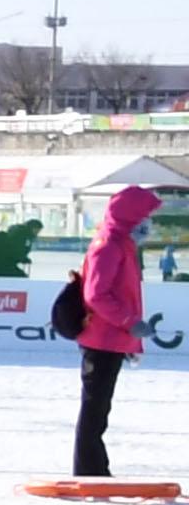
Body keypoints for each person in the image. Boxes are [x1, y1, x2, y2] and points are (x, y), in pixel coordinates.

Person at [74, 185, 161, 476]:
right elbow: (96, 295)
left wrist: (130, 340)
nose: (149, 223)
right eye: (145, 216)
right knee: (94, 410)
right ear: (130, 217)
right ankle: (89, 471)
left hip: (112, 339)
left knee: (100, 410)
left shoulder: (122, 244)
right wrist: (129, 323)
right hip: (102, 338)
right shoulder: (109, 244)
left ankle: (95, 468)